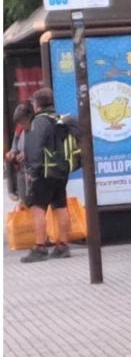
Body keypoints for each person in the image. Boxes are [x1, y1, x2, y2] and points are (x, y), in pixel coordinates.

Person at [21, 88, 71, 263]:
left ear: (37, 104)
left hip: (43, 171)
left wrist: (32, 171)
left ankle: (40, 247)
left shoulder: (39, 121)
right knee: (60, 206)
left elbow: (35, 148)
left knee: (37, 208)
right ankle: (63, 246)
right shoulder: (59, 119)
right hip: (60, 170)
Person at [5, 103, 33, 209]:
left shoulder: (38, 128)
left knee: (36, 204)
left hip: (34, 173)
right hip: (22, 171)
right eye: (19, 123)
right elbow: (14, 147)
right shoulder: (19, 129)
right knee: (23, 200)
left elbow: (42, 148)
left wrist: (27, 154)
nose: (21, 125)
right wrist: (11, 154)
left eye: (22, 122)